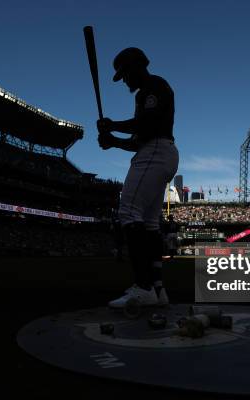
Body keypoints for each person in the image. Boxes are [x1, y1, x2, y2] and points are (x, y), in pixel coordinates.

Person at [97, 47, 179, 309]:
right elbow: (138, 139)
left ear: (135, 67)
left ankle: (142, 288)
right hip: (158, 151)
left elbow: (148, 125)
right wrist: (113, 142)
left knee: (129, 213)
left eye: (125, 75)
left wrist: (113, 125)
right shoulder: (146, 93)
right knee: (150, 223)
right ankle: (157, 290)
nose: (125, 82)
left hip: (156, 151)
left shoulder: (153, 86)